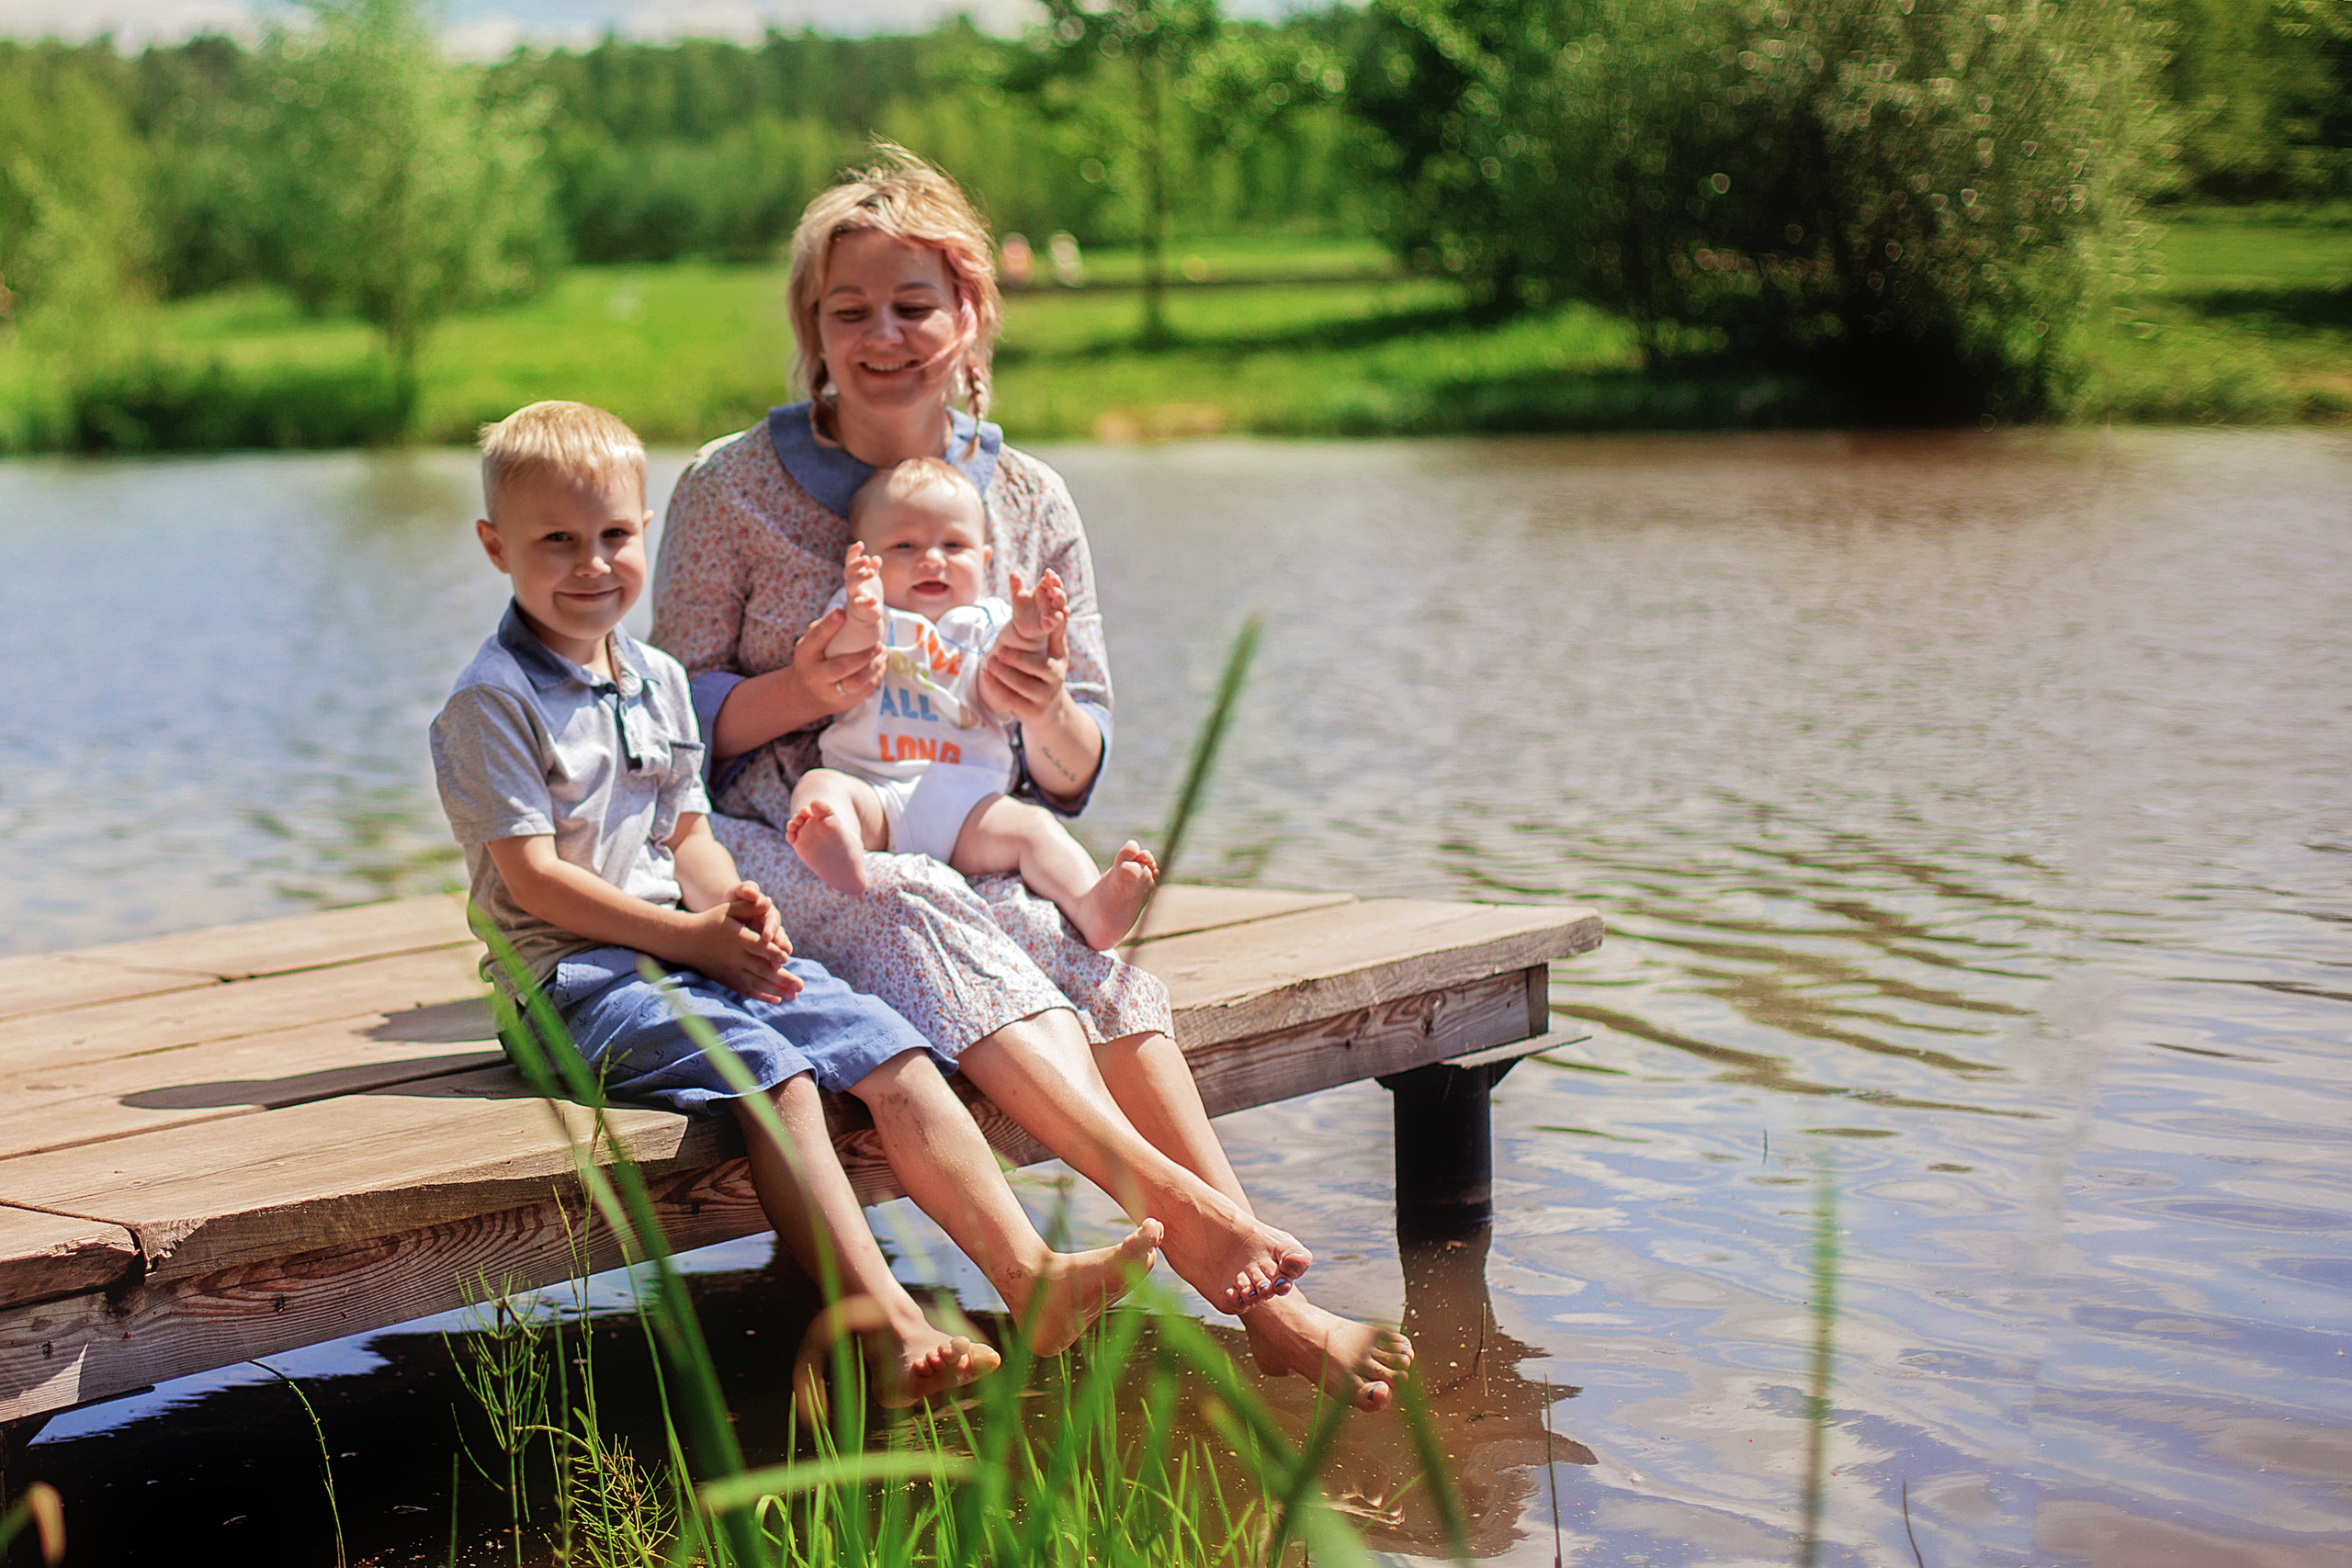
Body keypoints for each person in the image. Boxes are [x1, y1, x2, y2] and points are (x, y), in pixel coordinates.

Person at [650, 148, 1415, 1408]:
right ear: (812, 326)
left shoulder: (1028, 497)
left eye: (915, 304)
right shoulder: (728, 488)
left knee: (1104, 965)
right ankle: (1212, 1246)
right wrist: (805, 690)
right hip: (787, 837)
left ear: (972, 317)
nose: (885, 335)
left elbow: (1075, 765)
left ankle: (1266, 1307)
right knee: (919, 901)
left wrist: (1038, 701)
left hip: (965, 821)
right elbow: (661, 731)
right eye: (852, 309)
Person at [430, 400, 1161, 1404]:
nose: (592, 564)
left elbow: (685, 832)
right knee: (775, 1072)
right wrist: (696, 938)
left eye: (613, 536)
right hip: (571, 979)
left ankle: (1027, 1277)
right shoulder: (493, 701)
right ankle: (887, 1327)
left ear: (642, 535)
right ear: (493, 547)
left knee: (883, 1043)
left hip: (686, 949)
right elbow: (534, 882)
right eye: (556, 542)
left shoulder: (649, 677)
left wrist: (737, 915)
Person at [786, 456, 1161, 950]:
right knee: (820, 788)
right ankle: (843, 854)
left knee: (1034, 828)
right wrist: (861, 608)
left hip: (971, 805)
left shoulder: (985, 623)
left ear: (986, 562)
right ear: (864, 562)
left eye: (954, 545)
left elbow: (997, 688)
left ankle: (1092, 904)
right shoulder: (865, 615)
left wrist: (1028, 631)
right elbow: (840, 658)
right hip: (874, 790)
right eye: (904, 546)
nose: (933, 559)